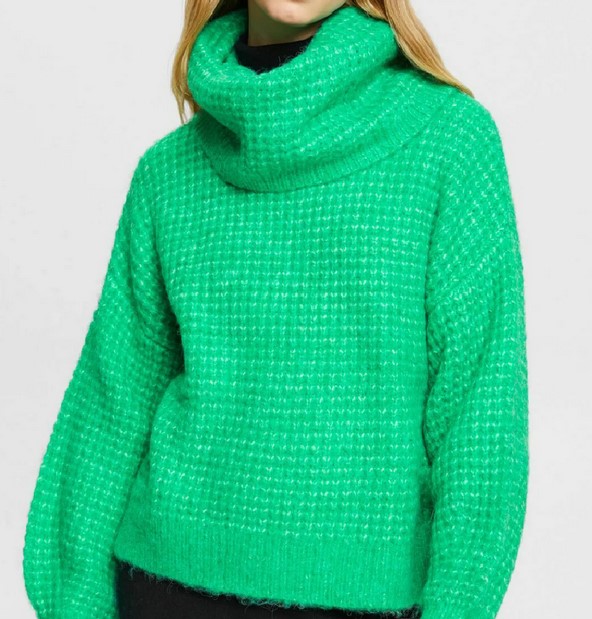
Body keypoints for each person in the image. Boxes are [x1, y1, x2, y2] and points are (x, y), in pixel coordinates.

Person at [22, 1, 530, 619]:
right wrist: (72, 603)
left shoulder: (449, 141)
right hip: (159, 584)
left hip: (366, 600)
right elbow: (109, 408)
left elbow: (481, 413)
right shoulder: (167, 173)